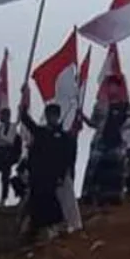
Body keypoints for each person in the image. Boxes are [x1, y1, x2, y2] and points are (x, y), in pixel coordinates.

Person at [19, 102, 75, 239]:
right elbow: (27, 121)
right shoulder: (40, 132)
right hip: (37, 175)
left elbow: (66, 157)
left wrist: (63, 174)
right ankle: (33, 229)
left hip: (52, 176)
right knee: (35, 201)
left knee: (51, 200)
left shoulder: (63, 137)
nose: (53, 117)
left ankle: (54, 227)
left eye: (55, 115)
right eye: (50, 115)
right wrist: (23, 109)